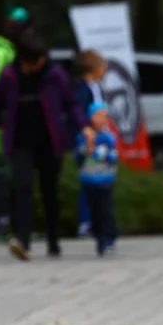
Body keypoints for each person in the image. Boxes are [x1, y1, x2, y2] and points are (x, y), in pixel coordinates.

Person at [0, 30, 92, 261]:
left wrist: (85, 126)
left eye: (42, 59)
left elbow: (71, 104)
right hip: (20, 141)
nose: (41, 63)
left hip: (50, 141)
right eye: (35, 61)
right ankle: (23, 241)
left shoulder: (55, 74)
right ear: (24, 61)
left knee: (50, 192)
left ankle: (53, 240)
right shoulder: (9, 77)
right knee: (22, 187)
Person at [0, 6, 31, 242]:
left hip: (15, 124)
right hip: (3, 127)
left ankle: (16, 224)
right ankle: (1, 224)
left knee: (15, 174)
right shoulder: (0, 52)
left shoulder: (13, 50)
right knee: (2, 173)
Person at [72, 49, 108, 239]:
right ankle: (86, 221)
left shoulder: (97, 87)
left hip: (100, 137)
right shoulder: (83, 88)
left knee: (101, 180)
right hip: (86, 138)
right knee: (87, 180)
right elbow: (78, 111)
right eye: (103, 66)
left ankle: (99, 220)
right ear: (93, 68)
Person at [75, 102, 118, 256]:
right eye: (97, 115)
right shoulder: (83, 136)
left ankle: (109, 236)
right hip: (88, 180)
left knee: (105, 209)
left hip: (105, 179)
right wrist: (85, 150)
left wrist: (98, 153)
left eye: (104, 116)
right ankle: (98, 237)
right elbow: (77, 157)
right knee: (94, 210)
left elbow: (113, 156)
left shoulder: (108, 137)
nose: (101, 119)